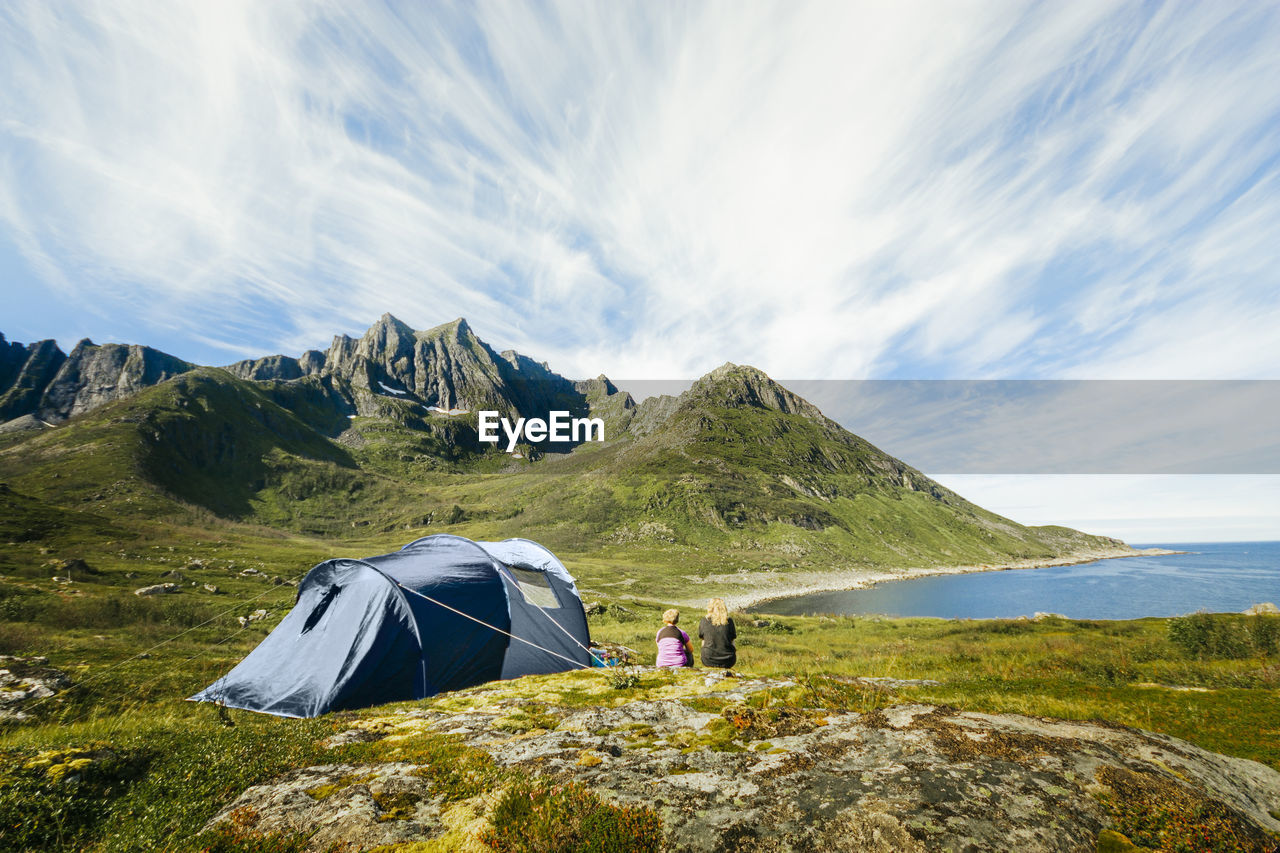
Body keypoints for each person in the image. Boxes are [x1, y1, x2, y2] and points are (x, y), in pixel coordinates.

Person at [698, 598, 737, 669]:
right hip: (728, 660)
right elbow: (732, 641)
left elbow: (703, 641)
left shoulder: (704, 621)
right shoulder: (729, 621)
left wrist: (703, 654)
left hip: (708, 659)